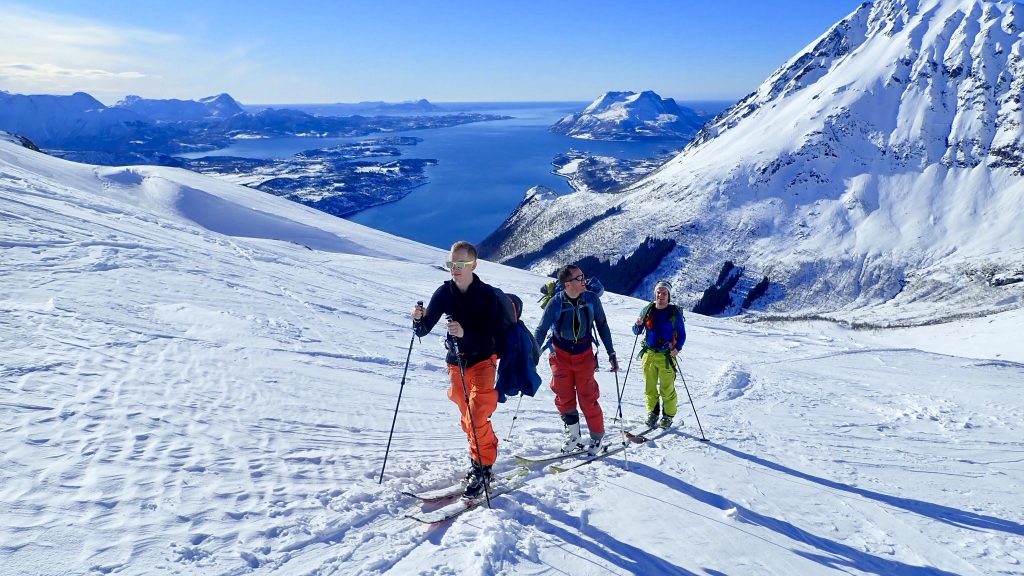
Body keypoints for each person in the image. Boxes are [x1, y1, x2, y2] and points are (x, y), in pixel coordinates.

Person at [412, 240, 512, 498]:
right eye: (451, 264)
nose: (454, 269)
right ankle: (479, 462)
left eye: (460, 264)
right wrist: (418, 319)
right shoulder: (444, 292)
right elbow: (423, 330)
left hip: (483, 361)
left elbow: (489, 338)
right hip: (456, 363)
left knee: (477, 413)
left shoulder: (486, 295)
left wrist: (464, 332)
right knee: (468, 418)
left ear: (473, 265)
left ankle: (483, 468)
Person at [533, 264, 618, 455]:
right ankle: (574, 436)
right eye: (579, 278)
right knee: (564, 397)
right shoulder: (555, 302)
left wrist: (611, 352)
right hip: (559, 355)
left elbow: (602, 325)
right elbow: (541, 329)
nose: (584, 281)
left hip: (584, 355)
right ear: (567, 284)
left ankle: (597, 438)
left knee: (588, 397)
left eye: (583, 276)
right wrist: (533, 355)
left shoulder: (591, 299)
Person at [632, 280, 687, 428]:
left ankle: (668, 416)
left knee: (666, 388)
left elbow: (681, 334)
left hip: (666, 356)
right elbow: (637, 331)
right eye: (658, 292)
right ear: (654, 294)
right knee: (649, 387)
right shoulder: (647, 309)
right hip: (649, 355)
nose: (660, 296)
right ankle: (652, 413)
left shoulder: (674, 313)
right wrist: (637, 324)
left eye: (664, 293)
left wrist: (678, 348)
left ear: (669, 296)